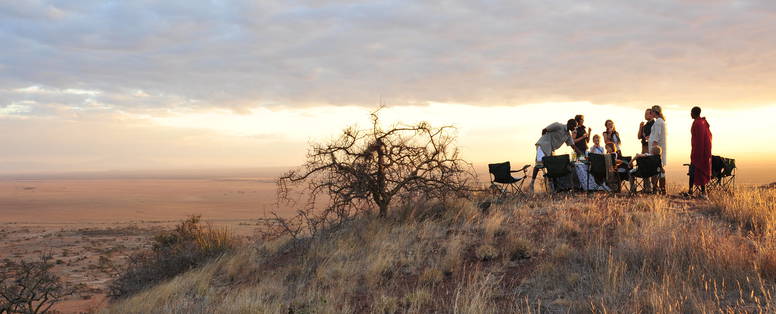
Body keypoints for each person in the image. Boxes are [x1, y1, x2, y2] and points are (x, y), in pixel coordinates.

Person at [529, 119, 580, 193]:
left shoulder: (568, 135)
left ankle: (551, 186)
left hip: (551, 149)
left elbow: (573, 146)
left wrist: (582, 155)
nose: (575, 129)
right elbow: (545, 130)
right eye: (575, 127)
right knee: (539, 164)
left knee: (551, 166)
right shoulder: (558, 126)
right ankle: (532, 183)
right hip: (543, 145)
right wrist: (546, 141)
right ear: (570, 124)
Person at [688, 106, 712, 197]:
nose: (690, 114)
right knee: (700, 171)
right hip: (703, 151)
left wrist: (697, 153)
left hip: (698, 151)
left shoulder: (698, 123)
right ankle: (702, 192)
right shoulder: (702, 122)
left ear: (694, 113)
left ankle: (691, 191)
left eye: (691, 112)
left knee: (694, 170)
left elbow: (699, 140)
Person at [649, 105, 668, 194]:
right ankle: (660, 188)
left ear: (654, 112)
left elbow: (657, 136)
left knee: (657, 168)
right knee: (659, 168)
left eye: (651, 112)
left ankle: (658, 188)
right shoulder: (660, 121)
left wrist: (654, 147)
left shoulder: (658, 122)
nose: (650, 114)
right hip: (658, 148)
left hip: (656, 149)